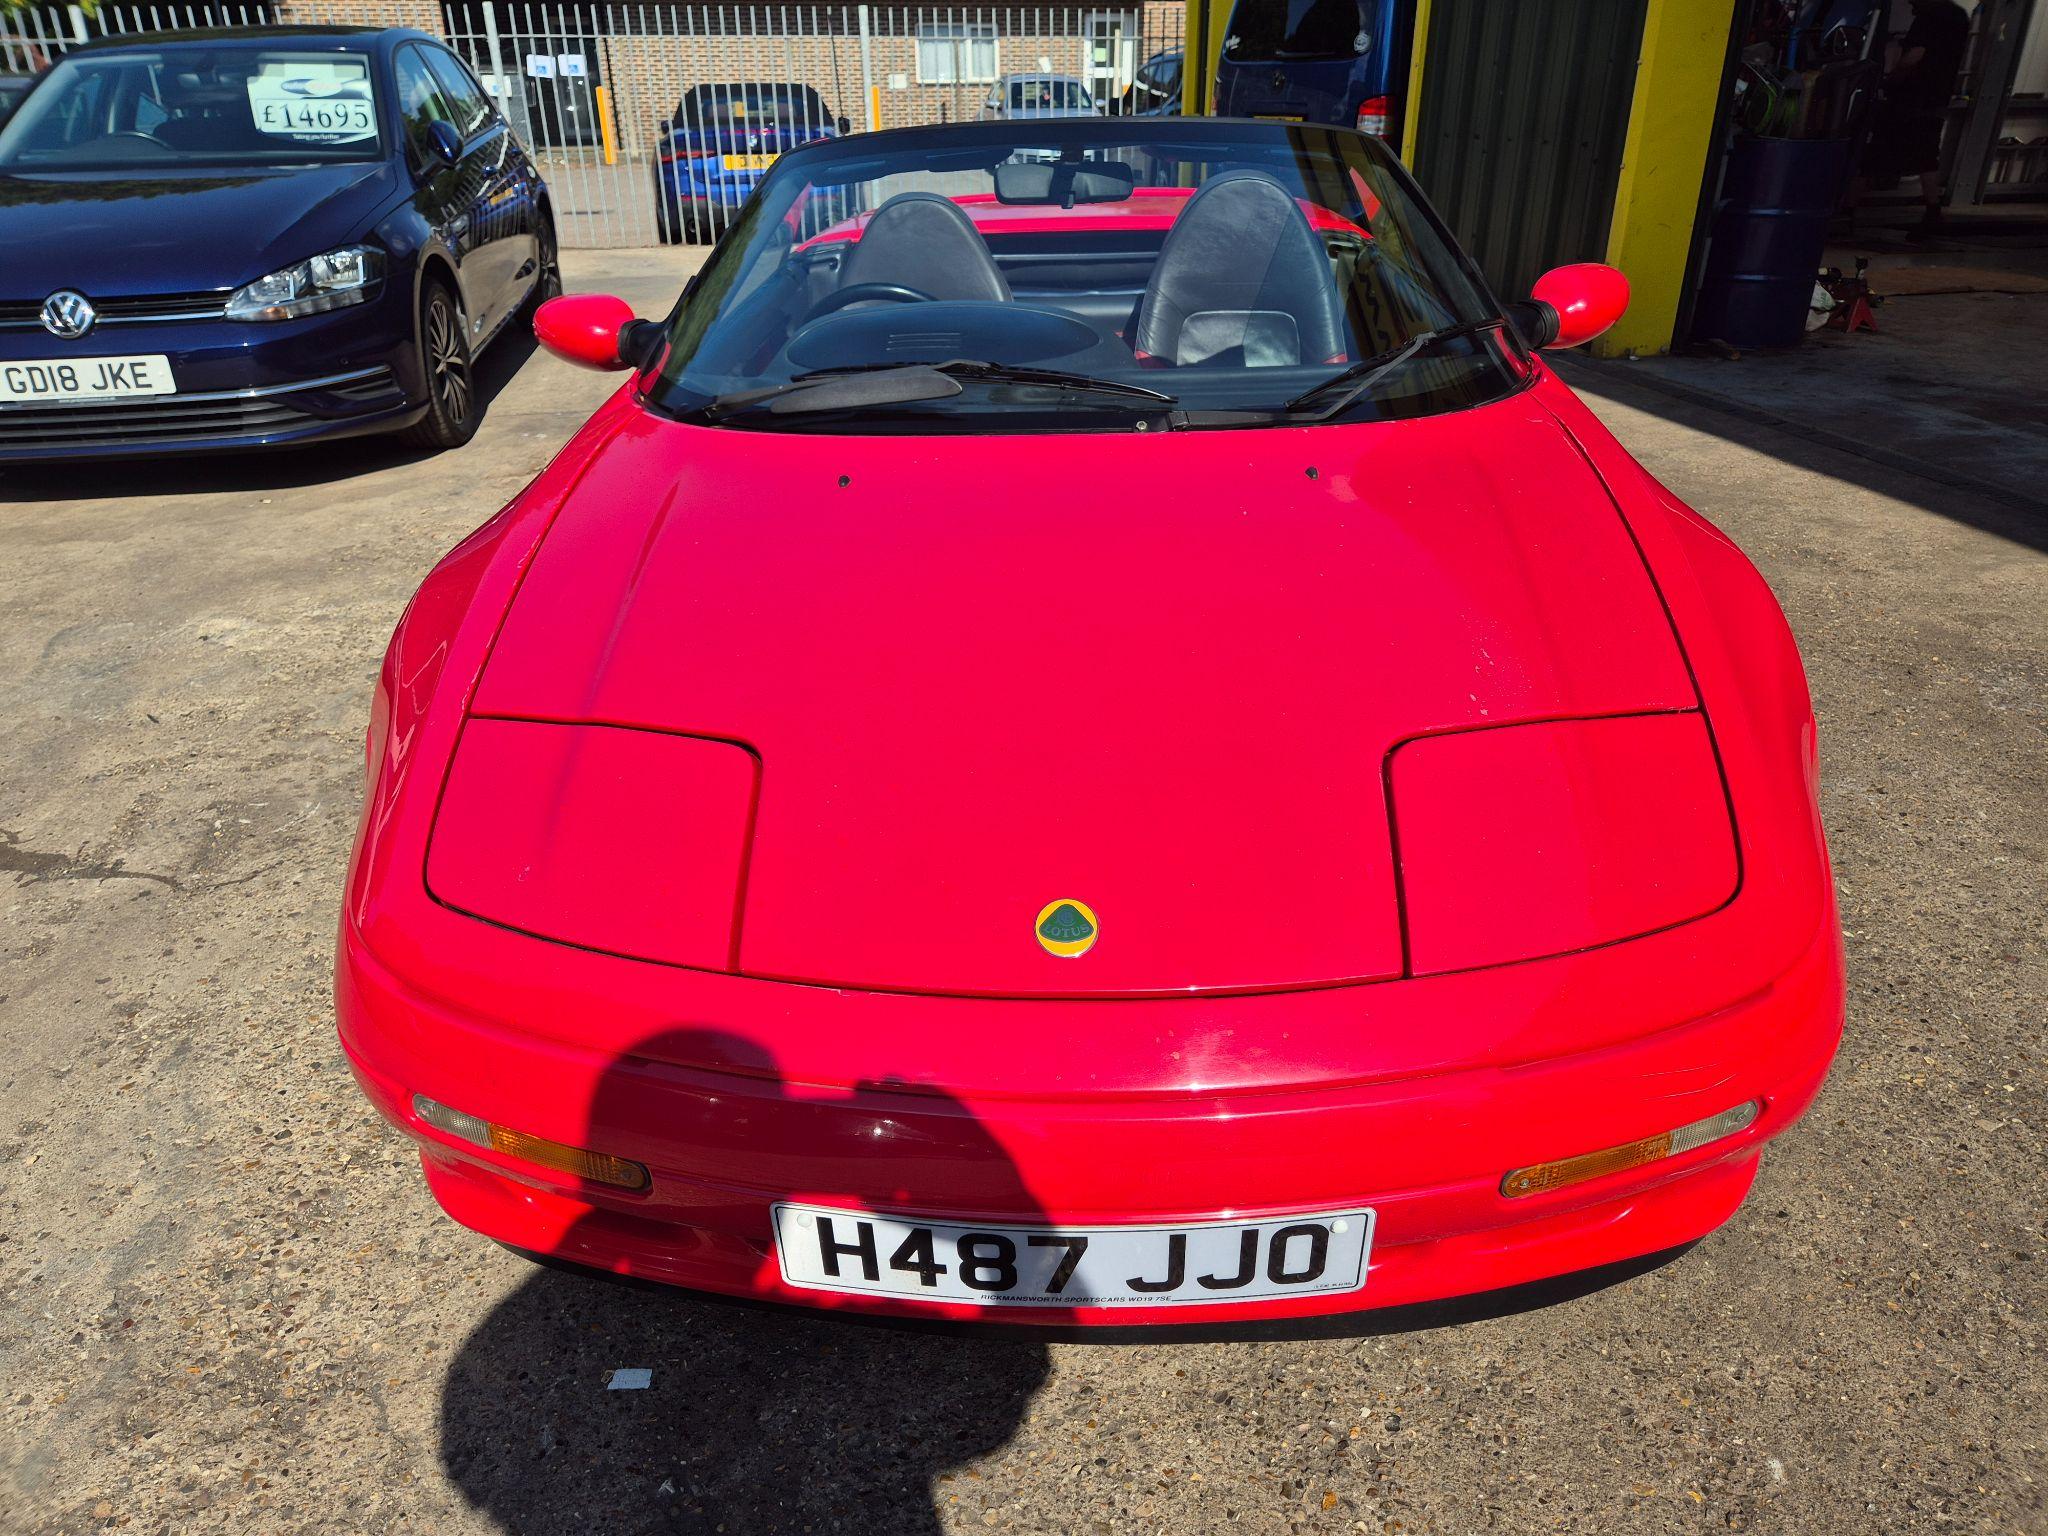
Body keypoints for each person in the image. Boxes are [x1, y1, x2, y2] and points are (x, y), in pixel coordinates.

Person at [1862, 0, 1972, 237]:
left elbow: (1915, 54)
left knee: (1872, 152)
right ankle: (1933, 211)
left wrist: (1893, 77)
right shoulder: (1958, 16)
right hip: (1937, 97)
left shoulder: (1928, 17)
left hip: (1910, 97)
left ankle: (1847, 211)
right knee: (1926, 155)